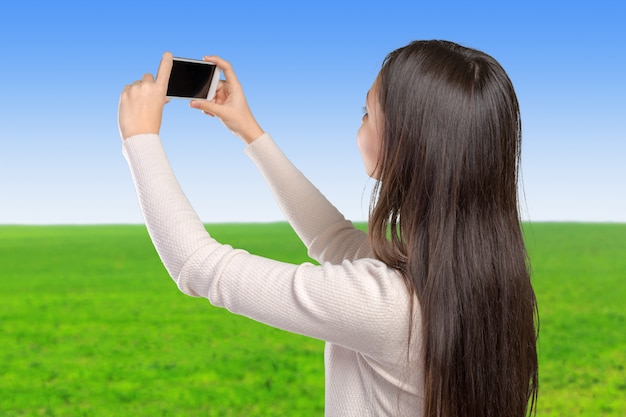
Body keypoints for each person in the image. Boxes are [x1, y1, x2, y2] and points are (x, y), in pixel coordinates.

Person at [118, 40, 539, 417]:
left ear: (407, 146)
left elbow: (199, 267)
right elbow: (335, 240)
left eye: (367, 113)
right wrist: (248, 130)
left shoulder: (388, 305)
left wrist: (140, 138)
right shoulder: (482, 278)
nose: (359, 124)